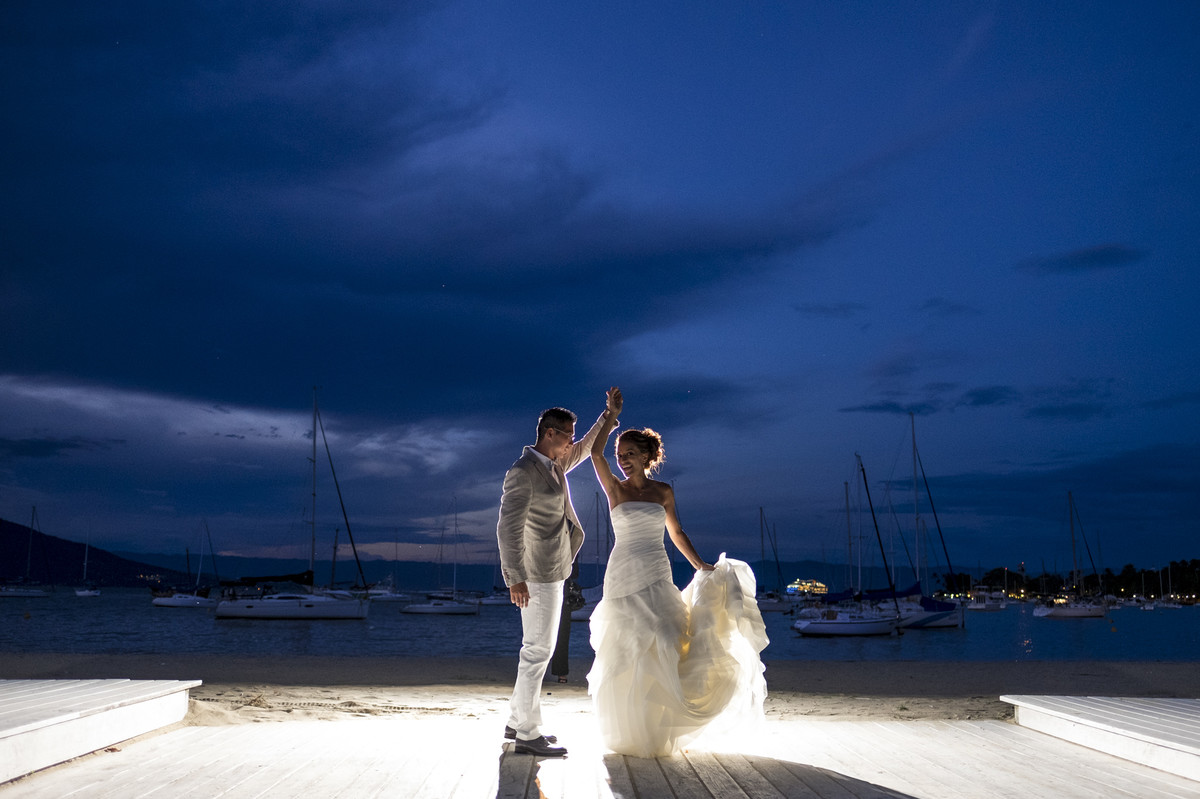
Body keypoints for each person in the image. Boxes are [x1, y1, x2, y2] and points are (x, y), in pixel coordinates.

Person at [586, 393, 768, 758]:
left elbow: (677, 532)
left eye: (629, 454)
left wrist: (701, 565)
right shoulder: (615, 488)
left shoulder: (663, 492)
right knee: (629, 646)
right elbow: (594, 453)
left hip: (657, 570)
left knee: (667, 638)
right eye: (620, 455)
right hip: (623, 573)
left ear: (646, 457)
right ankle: (632, 728)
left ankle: (657, 724)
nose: (623, 460)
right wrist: (610, 416)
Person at [496, 388, 622, 757]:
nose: (571, 442)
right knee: (538, 651)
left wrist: (608, 416)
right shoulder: (523, 472)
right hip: (536, 575)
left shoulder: (553, 465)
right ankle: (527, 734)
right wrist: (515, 577)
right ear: (550, 433)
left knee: (535, 649)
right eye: (567, 435)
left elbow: (584, 448)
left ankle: (517, 721)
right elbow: (507, 528)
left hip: (552, 570)